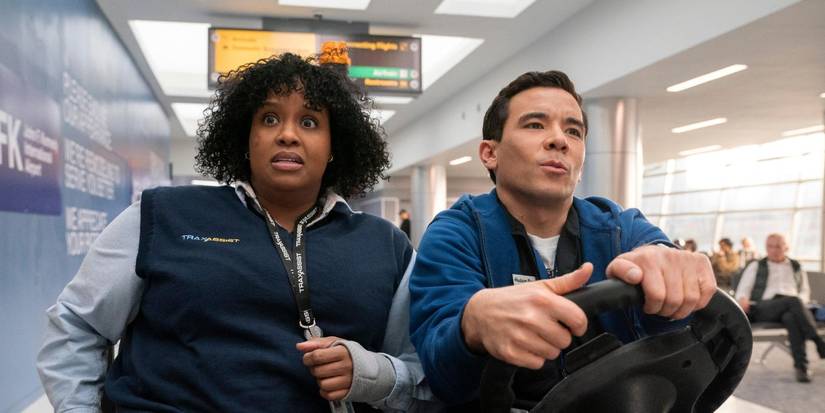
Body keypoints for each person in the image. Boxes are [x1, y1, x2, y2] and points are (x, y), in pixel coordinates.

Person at [37, 53, 440, 412]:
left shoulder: (386, 245)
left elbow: (423, 371)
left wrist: (375, 374)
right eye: (269, 118)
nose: (287, 134)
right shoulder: (163, 214)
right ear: (246, 139)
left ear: (335, 145)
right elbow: (78, 323)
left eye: (310, 121)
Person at [408, 70, 716, 407]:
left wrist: (671, 267)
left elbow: (660, 256)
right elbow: (441, 372)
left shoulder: (619, 228)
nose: (560, 140)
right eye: (535, 125)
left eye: (573, 131)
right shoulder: (456, 233)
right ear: (489, 153)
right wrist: (470, 328)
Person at [735, 233, 825, 383]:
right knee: (793, 302)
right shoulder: (756, 265)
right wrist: (743, 299)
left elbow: (804, 292)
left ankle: (801, 368)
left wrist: (798, 304)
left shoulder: (796, 267)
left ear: (786, 247)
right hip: (764, 307)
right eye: (769, 246)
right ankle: (817, 341)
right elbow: (743, 290)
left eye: (777, 246)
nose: (773, 250)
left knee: (791, 316)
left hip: (792, 307)